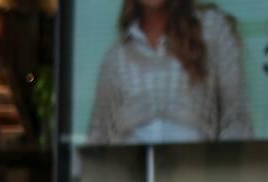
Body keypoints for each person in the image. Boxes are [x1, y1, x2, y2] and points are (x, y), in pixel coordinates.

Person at [86, 0, 251, 145]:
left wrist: (219, 169)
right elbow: (97, 141)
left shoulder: (213, 30)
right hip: (133, 170)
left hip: (197, 168)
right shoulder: (115, 59)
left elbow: (237, 121)